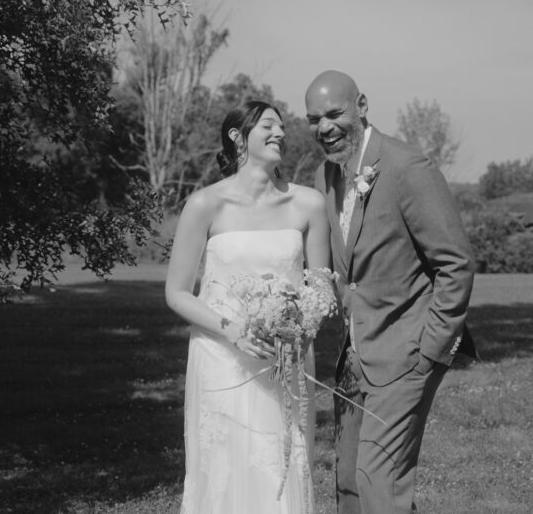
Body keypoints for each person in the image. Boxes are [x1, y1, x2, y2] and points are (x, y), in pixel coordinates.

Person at [304, 70, 476, 514]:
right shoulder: (325, 175)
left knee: (378, 479)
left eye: (334, 114)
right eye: (314, 119)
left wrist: (431, 349)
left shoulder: (406, 167)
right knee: (348, 482)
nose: (324, 127)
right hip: (353, 355)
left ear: (361, 106)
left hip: (407, 351)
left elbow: (455, 263)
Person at [164, 100, 331, 514]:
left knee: (281, 467)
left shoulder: (309, 204)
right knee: (227, 468)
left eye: (282, 127)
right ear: (238, 137)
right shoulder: (205, 204)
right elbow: (177, 292)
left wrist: (299, 330)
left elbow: (321, 286)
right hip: (221, 357)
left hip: (286, 359)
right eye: (268, 126)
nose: (280, 133)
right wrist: (233, 330)